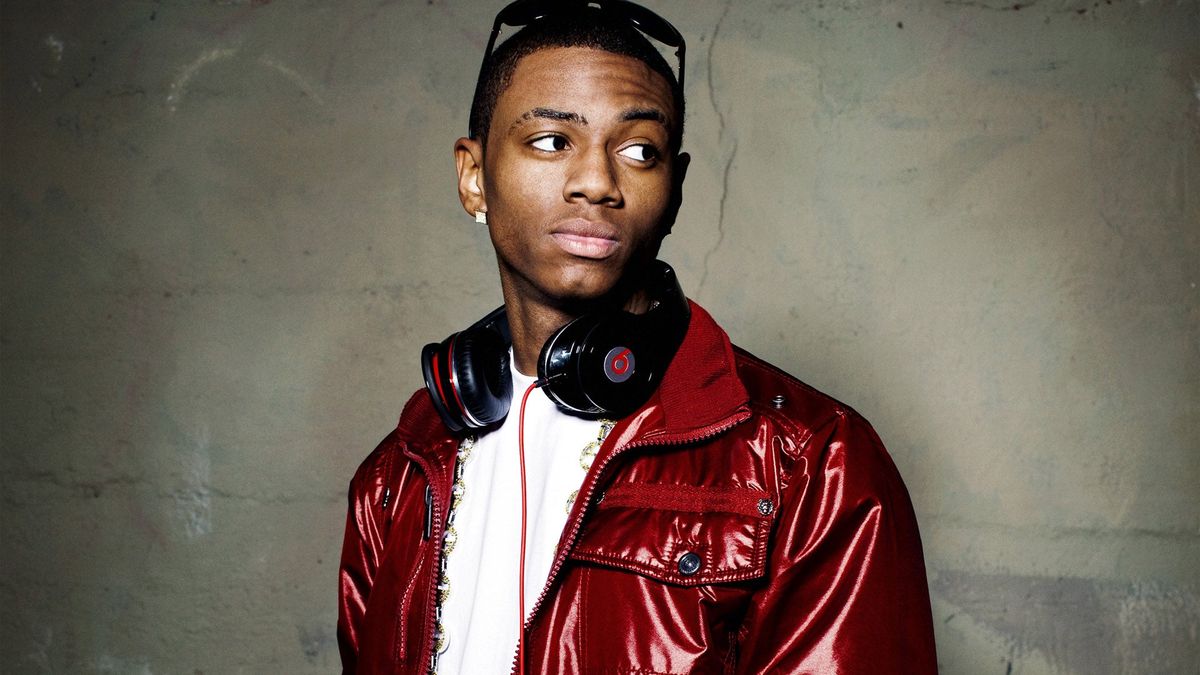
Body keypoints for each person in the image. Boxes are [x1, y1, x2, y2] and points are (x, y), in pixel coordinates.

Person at [337, 1, 937, 672]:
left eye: (639, 151)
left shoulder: (812, 463)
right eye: (551, 141)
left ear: (674, 190)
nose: (597, 182)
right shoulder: (396, 476)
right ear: (474, 178)